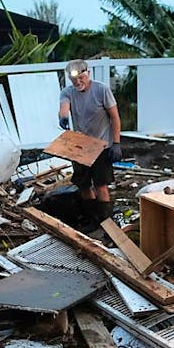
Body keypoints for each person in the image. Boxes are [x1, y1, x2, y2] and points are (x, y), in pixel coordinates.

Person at [58, 59, 122, 231]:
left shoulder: (102, 90)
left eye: (81, 78)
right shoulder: (67, 92)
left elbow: (114, 117)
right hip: (81, 145)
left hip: (101, 145)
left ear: (88, 73)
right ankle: (91, 219)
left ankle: (106, 222)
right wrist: (63, 117)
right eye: (74, 80)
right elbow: (64, 107)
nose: (78, 82)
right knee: (84, 184)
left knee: (101, 184)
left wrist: (116, 143)